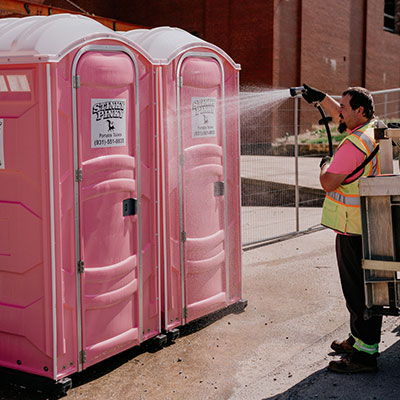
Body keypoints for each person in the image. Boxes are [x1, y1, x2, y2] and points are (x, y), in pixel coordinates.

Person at [302, 84, 381, 373]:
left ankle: (364, 355)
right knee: (361, 288)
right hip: (365, 223)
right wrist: (321, 97)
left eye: (344, 108)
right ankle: (359, 339)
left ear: (359, 110)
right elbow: (342, 113)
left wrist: (324, 164)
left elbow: (329, 183)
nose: (339, 113)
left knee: (357, 291)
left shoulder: (353, 144)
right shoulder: (372, 128)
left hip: (352, 227)